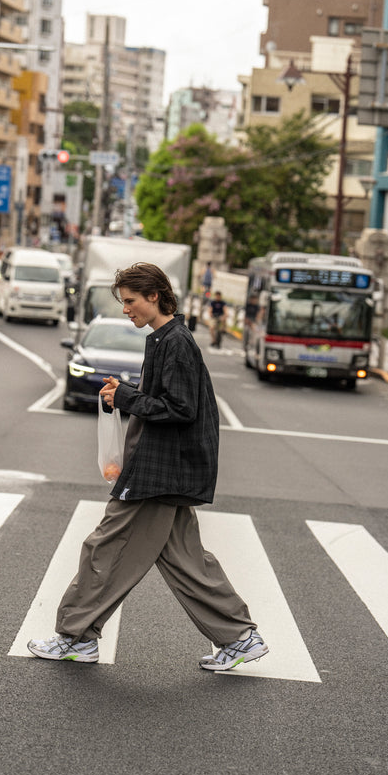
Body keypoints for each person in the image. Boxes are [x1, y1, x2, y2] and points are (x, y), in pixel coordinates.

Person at [27, 262, 268, 672]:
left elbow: (180, 408)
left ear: (154, 295)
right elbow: (172, 400)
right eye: (124, 302)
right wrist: (130, 393)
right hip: (168, 468)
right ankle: (240, 638)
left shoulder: (175, 342)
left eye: (131, 301)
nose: (126, 310)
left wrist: (126, 398)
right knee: (186, 560)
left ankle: (76, 637)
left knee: (104, 548)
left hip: (158, 472)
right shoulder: (167, 337)